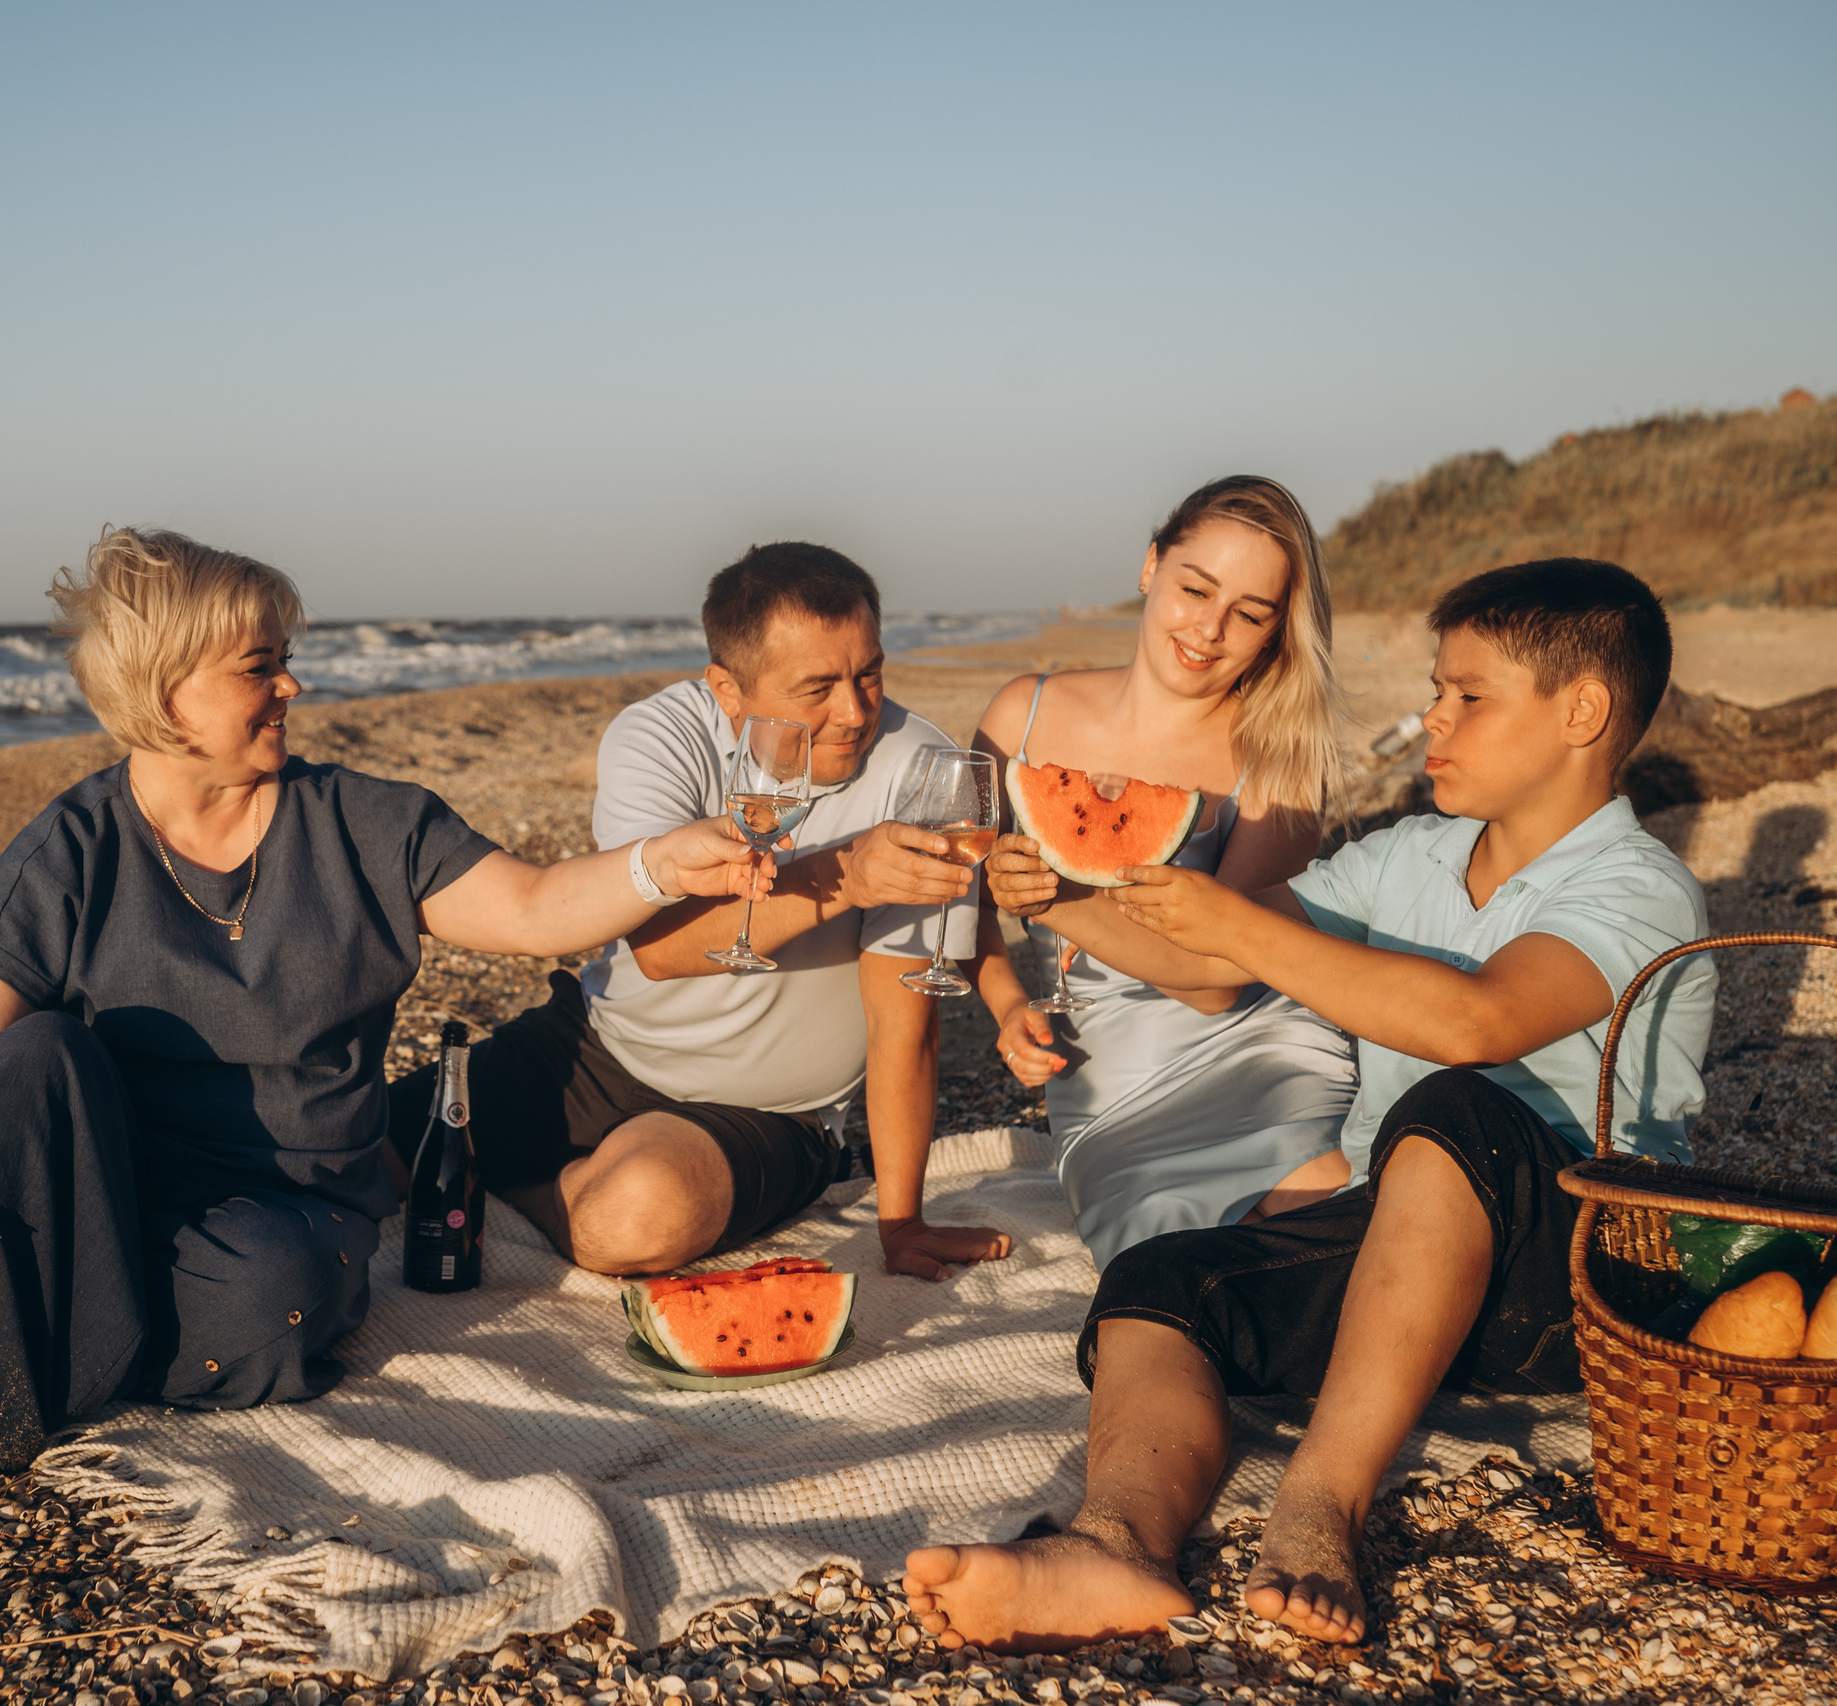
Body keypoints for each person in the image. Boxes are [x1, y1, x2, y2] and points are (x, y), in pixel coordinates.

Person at [0, 527, 772, 1586]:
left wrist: (656, 862)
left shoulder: (364, 822)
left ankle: (1, 1357)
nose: (292, 684)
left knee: (280, 1295)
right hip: (100, 1196)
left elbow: (536, 906)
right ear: (167, 694)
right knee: (34, 1054)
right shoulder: (72, 848)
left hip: (283, 1214)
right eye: (260, 665)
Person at [905, 559, 1716, 1650]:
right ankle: (1116, 1542)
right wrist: (1066, 897)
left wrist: (1233, 923)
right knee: (1160, 1278)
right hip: (1410, 1255)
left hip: (1581, 1272)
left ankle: (1319, 1502)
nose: (1430, 718)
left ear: (1582, 710)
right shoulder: (1412, 854)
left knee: (1453, 1107)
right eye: (1436, 688)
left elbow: (1474, 1022)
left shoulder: (1636, 882)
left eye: (1467, 696)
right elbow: (1205, 971)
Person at [389, 542, 1015, 1281]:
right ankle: (528, 1176)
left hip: (772, 1113)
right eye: (817, 688)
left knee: (630, 1219)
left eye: (870, 673)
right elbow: (658, 950)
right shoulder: (662, 737)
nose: (854, 713)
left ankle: (512, 1193)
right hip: (602, 1046)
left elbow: (903, 1024)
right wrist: (846, 874)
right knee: (352, 1149)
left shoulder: (923, 770)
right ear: (728, 690)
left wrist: (902, 1222)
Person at [976, 476, 1359, 1268]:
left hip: (1261, 1052)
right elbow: (962, 878)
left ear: (1275, 633)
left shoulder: (1278, 761)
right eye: (1195, 589)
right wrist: (1007, 999)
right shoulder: (1025, 714)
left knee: (1339, 1234)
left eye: (1249, 613)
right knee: (1171, 1269)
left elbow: (1220, 979)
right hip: (1111, 1081)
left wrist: (1058, 898)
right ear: (1151, 567)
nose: (1210, 629)